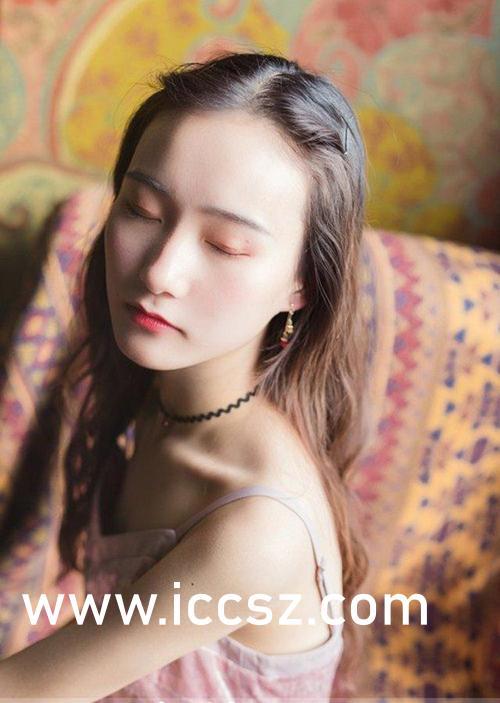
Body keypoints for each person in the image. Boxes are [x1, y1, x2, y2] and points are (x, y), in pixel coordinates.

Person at [0, 50, 371, 701]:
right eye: (142, 209)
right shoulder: (162, 402)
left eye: (226, 245)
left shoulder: (259, 530)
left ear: (303, 285)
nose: (159, 272)